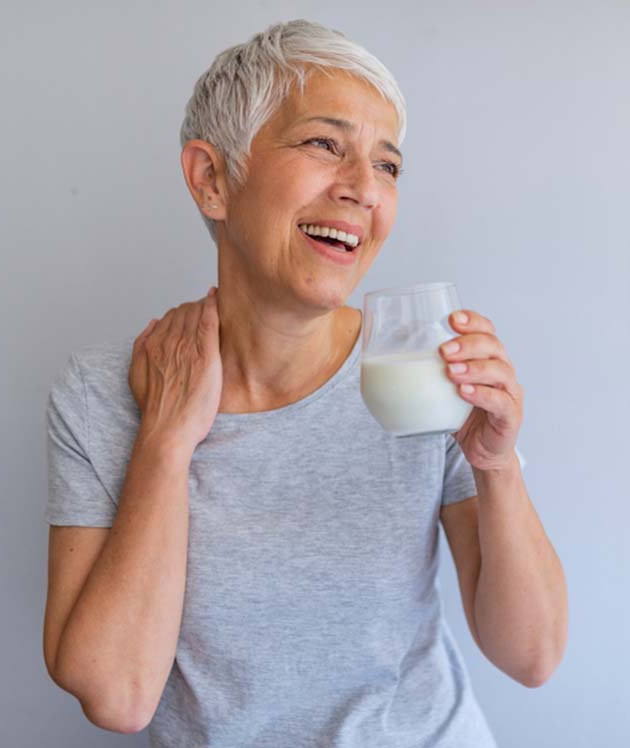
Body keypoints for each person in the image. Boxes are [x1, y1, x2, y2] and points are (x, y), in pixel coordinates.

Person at [42, 19, 567, 747]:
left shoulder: (424, 371)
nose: (363, 189)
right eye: (325, 144)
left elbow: (531, 654)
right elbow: (118, 695)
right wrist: (166, 442)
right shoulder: (102, 393)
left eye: (387, 165)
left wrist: (496, 464)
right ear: (212, 179)